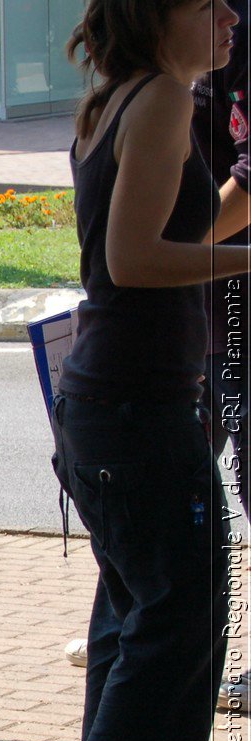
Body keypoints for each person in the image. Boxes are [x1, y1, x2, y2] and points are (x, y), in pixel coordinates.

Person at [54, 0, 248, 741]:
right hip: (135, 406)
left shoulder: (119, 96)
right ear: (158, 16)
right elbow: (131, 261)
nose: (233, 15)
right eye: (210, 4)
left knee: (136, 615)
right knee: (180, 621)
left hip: (108, 402)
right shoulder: (163, 98)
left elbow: (152, 238)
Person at [194, 0, 251, 513]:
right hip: (188, 312)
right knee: (168, 506)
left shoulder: (235, 29)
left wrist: (178, 250)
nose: (227, 19)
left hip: (233, 307)